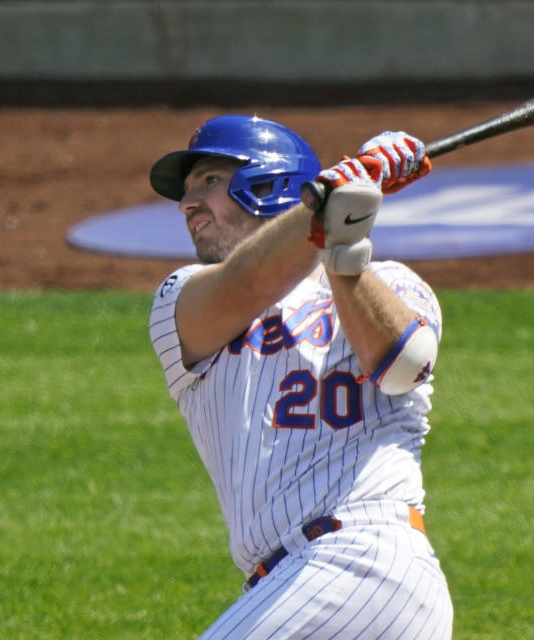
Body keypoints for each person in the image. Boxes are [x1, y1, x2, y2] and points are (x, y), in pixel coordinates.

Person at [148, 114, 453, 639]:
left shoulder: (393, 282)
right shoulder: (181, 296)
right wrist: (339, 194)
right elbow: (248, 282)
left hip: (364, 559)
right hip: (292, 582)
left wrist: (344, 249)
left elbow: (404, 365)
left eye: (209, 181)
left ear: (268, 184)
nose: (187, 203)